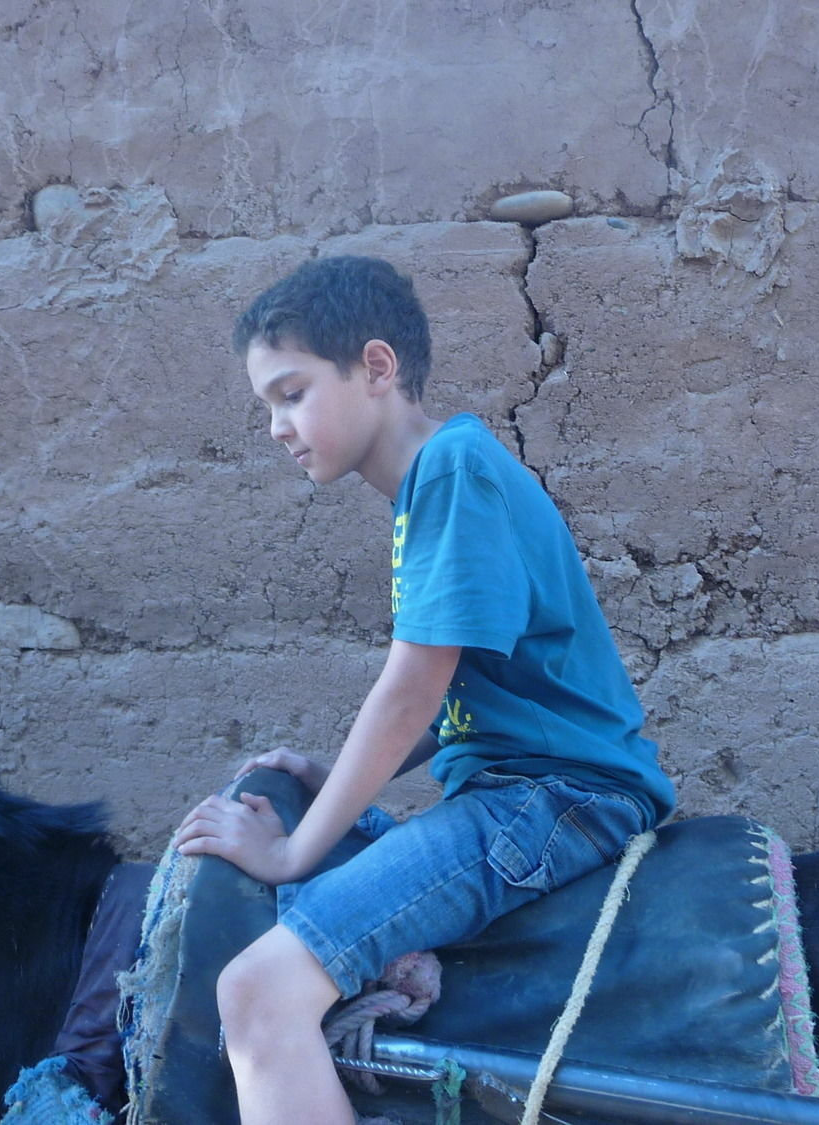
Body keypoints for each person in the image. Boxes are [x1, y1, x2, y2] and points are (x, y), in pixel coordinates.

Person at [172, 255, 675, 1125]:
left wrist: (291, 854)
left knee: (256, 992)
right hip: (523, 787)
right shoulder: (427, 492)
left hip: (549, 799)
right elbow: (459, 704)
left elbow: (414, 686)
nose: (276, 426)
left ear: (375, 368)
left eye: (291, 393)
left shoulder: (452, 470)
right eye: (267, 407)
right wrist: (334, 774)